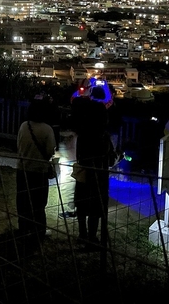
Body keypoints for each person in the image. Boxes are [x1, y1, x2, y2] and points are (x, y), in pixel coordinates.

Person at [74, 89, 115, 248]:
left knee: (82, 205)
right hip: (99, 175)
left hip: (83, 173)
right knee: (96, 207)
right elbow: (110, 158)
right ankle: (92, 236)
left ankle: (82, 234)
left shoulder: (82, 135)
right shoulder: (103, 136)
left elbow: (79, 155)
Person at [16, 99, 56, 240]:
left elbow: (18, 146)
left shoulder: (23, 126)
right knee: (38, 203)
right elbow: (50, 151)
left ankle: (23, 228)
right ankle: (38, 230)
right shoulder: (47, 129)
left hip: (22, 169)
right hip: (39, 170)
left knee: (23, 200)